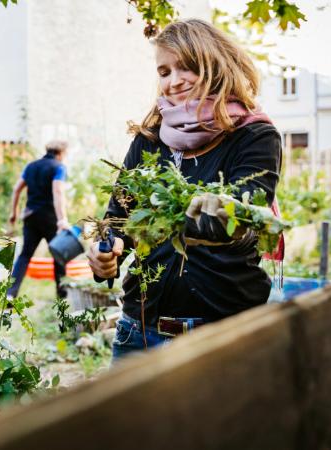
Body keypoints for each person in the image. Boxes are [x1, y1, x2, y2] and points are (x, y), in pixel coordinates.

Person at [86, 19, 281, 360]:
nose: (173, 81)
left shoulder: (253, 136)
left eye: (186, 68)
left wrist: (201, 215)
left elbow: (245, 219)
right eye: (164, 71)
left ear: (215, 66)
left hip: (225, 333)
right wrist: (106, 252)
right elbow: (118, 220)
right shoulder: (149, 140)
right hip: (140, 332)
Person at [7, 140, 70, 299]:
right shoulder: (59, 167)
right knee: (59, 254)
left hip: (31, 216)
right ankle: (61, 295)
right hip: (50, 219)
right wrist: (62, 219)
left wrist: (13, 213)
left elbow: (16, 189)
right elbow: (58, 191)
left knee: (25, 255)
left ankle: (10, 293)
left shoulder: (31, 166)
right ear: (61, 153)